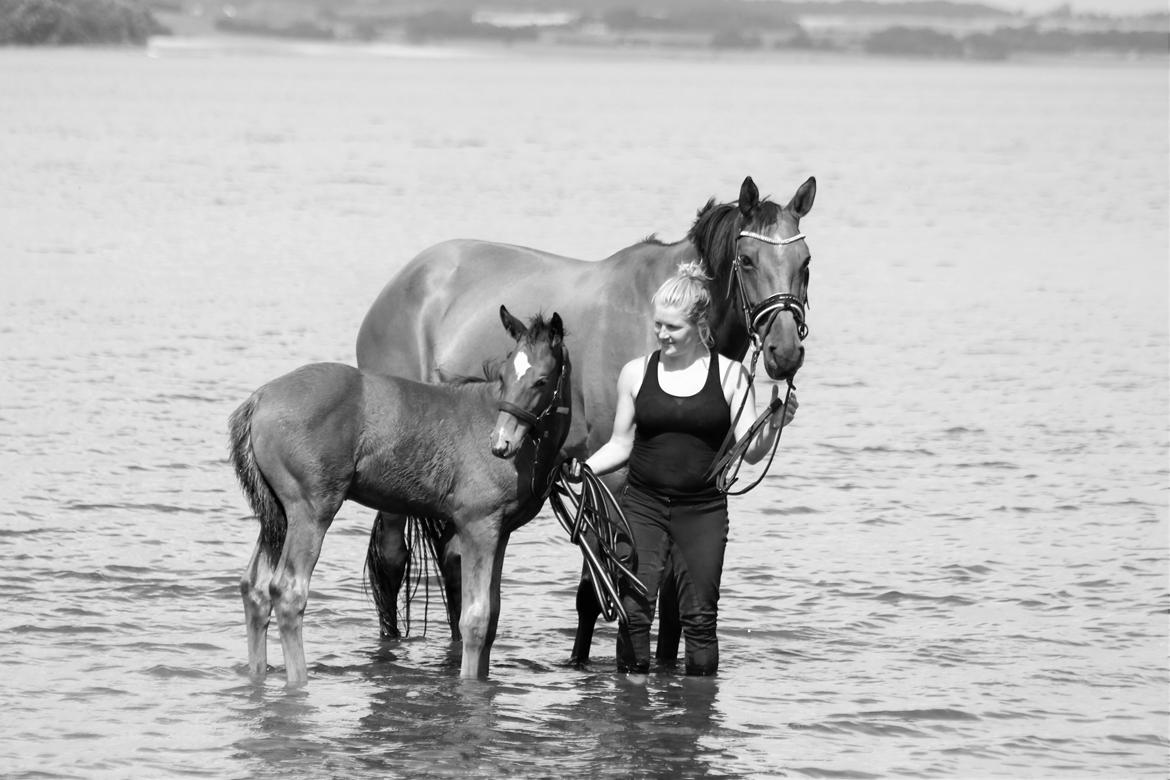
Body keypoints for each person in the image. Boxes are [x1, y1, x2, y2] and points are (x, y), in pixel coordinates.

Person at [577, 262, 798, 676]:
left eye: (672, 328)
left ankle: (697, 711)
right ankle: (632, 707)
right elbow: (621, 444)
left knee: (699, 621)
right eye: (658, 325)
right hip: (642, 508)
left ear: (699, 325)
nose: (662, 334)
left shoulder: (732, 376)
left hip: (703, 514)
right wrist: (582, 469)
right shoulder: (635, 373)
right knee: (633, 615)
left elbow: (750, 454)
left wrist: (774, 425)